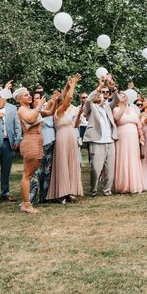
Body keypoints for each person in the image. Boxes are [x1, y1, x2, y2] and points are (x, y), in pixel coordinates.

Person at [13, 87, 59, 213]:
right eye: (26, 95)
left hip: (38, 140)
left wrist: (54, 101)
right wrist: (39, 106)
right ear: (19, 99)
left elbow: (49, 112)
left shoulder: (31, 109)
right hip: (30, 141)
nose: (29, 97)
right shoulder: (22, 109)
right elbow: (30, 119)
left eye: (29, 95)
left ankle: (27, 202)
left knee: (30, 173)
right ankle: (26, 204)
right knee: (28, 174)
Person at [47, 74, 83, 202]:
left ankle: (70, 191)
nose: (68, 102)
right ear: (60, 103)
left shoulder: (69, 111)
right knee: (62, 164)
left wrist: (67, 86)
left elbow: (66, 96)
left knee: (72, 163)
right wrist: (73, 84)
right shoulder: (59, 111)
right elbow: (69, 97)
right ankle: (62, 192)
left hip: (72, 137)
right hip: (62, 138)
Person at [82, 75, 119, 197]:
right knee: (96, 169)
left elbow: (117, 100)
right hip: (96, 142)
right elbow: (88, 100)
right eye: (100, 93)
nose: (102, 95)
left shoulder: (108, 106)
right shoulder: (90, 107)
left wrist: (113, 89)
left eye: (104, 93)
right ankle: (93, 190)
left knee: (110, 170)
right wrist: (100, 86)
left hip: (110, 141)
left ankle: (107, 190)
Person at [112, 88, 147, 194]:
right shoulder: (116, 109)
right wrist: (122, 106)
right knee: (124, 158)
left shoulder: (133, 109)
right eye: (121, 95)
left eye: (124, 95)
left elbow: (138, 124)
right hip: (122, 137)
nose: (123, 96)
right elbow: (117, 118)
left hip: (133, 138)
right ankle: (124, 185)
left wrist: (141, 135)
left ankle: (135, 184)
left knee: (134, 158)